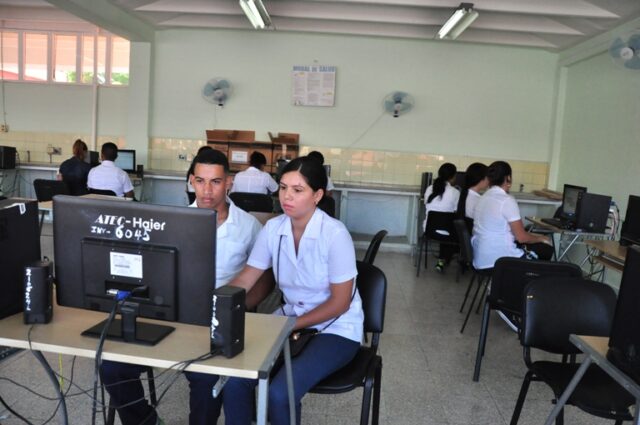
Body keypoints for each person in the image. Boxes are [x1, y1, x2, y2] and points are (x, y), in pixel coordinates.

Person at [100, 149, 264, 425]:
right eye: (200, 181)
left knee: (205, 378)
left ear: (229, 182)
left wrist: (238, 308)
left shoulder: (249, 227)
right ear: (191, 181)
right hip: (171, 314)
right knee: (112, 367)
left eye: (215, 182)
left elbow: (264, 279)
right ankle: (146, 422)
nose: (207, 190)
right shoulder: (172, 222)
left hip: (217, 321)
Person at [222, 156, 364, 425]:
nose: (287, 196)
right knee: (235, 381)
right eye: (283, 187)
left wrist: (291, 325)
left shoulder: (335, 234)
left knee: (280, 393)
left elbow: (340, 303)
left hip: (336, 329)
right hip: (289, 320)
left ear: (317, 195)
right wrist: (216, 303)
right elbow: (248, 277)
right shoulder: (273, 228)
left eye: (298, 190)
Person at [472, 160, 553, 271]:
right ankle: (529, 280)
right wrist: (540, 238)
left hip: (480, 259)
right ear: (508, 178)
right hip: (499, 261)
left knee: (530, 246)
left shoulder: (482, 198)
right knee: (546, 249)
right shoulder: (507, 200)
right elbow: (521, 238)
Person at [423, 162, 460, 273]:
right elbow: (456, 211)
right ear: (453, 177)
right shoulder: (455, 192)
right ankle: (444, 260)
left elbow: (426, 204)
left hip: (428, 230)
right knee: (455, 230)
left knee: (445, 227)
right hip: (447, 232)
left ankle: (442, 260)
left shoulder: (429, 188)